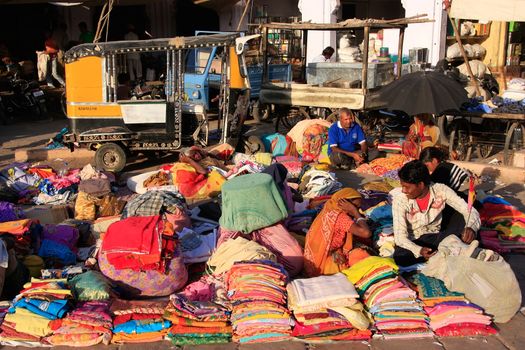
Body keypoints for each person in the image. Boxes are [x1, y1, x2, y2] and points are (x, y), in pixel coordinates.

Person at [392, 160, 480, 267]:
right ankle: (446, 251)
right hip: (416, 240)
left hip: (437, 235)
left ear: (420, 185)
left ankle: (446, 250)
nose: (403, 190)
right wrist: (419, 250)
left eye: (407, 187)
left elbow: (469, 210)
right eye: (402, 186)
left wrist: (471, 228)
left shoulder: (440, 190)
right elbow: (400, 237)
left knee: (465, 220)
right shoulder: (400, 200)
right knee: (401, 256)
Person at [304, 188, 372, 277]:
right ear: (345, 203)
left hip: (315, 258)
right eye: (356, 206)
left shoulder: (330, 207)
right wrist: (355, 212)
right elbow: (366, 233)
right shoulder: (341, 217)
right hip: (324, 263)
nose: (358, 209)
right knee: (361, 256)